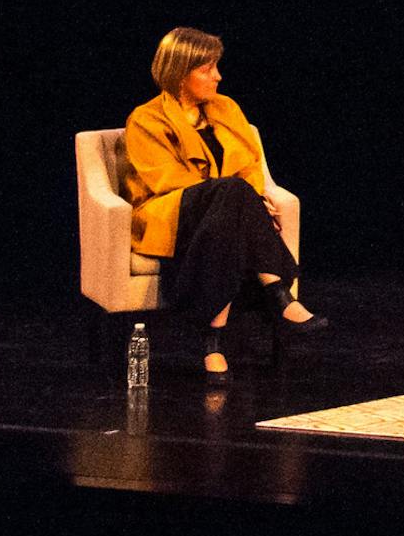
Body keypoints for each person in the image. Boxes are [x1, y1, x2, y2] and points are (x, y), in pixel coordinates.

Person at [123, 26, 327, 378]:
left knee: (230, 211)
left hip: (222, 216)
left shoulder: (226, 108)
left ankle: (213, 342)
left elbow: (249, 165)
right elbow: (164, 180)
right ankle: (278, 293)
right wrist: (236, 198)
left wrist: (250, 199)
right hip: (170, 209)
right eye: (207, 69)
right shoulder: (145, 119)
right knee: (230, 196)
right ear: (179, 73)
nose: (218, 76)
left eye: (217, 66)